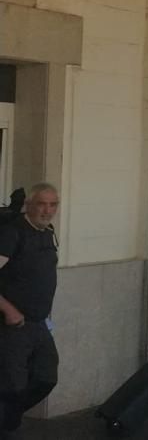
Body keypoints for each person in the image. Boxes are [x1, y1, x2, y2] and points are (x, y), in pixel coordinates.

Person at [0, 183, 60, 434]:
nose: (47, 210)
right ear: (29, 205)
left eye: (53, 204)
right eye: (41, 204)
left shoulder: (48, 232)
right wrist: (9, 310)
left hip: (39, 323)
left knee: (46, 377)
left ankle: (6, 420)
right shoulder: (12, 233)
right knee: (12, 386)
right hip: (13, 325)